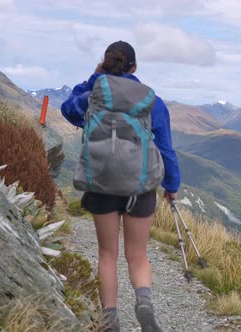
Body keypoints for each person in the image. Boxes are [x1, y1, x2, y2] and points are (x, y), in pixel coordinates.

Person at [61, 41, 180, 332]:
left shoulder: (92, 97)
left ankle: (110, 320)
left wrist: (94, 78)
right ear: (135, 68)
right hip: (139, 188)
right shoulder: (152, 100)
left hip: (101, 183)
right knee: (137, 255)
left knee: (107, 255)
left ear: (105, 63)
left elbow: (67, 109)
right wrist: (171, 185)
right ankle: (144, 303)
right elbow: (165, 148)